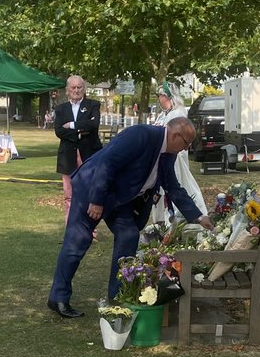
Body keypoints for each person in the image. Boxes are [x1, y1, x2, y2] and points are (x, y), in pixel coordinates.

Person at [47, 118, 213, 318]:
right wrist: (96, 200)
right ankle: (58, 298)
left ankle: (116, 296)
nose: (185, 149)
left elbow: (173, 187)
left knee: (129, 235)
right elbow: (108, 163)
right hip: (92, 189)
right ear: (176, 136)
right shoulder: (140, 135)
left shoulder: (168, 154)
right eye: (186, 144)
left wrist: (198, 216)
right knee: (78, 241)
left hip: (119, 199)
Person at [151, 80, 207, 221]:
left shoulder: (178, 114)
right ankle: (161, 222)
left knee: (177, 186)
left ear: (166, 96)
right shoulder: (163, 115)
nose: (158, 99)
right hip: (160, 159)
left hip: (174, 159)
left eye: (160, 95)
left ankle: (182, 217)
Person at [54, 75, 102, 221]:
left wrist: (72, 125)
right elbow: (59, 131)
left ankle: (89, 230)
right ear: (67, 90)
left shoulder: (93, 105)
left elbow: (94, 125)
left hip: (89, 154)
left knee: (88, 193)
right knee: (69, 194)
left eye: (79, 87)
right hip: (68, 155)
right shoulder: (61, 109)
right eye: (73, 87)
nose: (76, 90)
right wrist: (81, 132)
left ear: (84, 88)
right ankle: (71, 228)